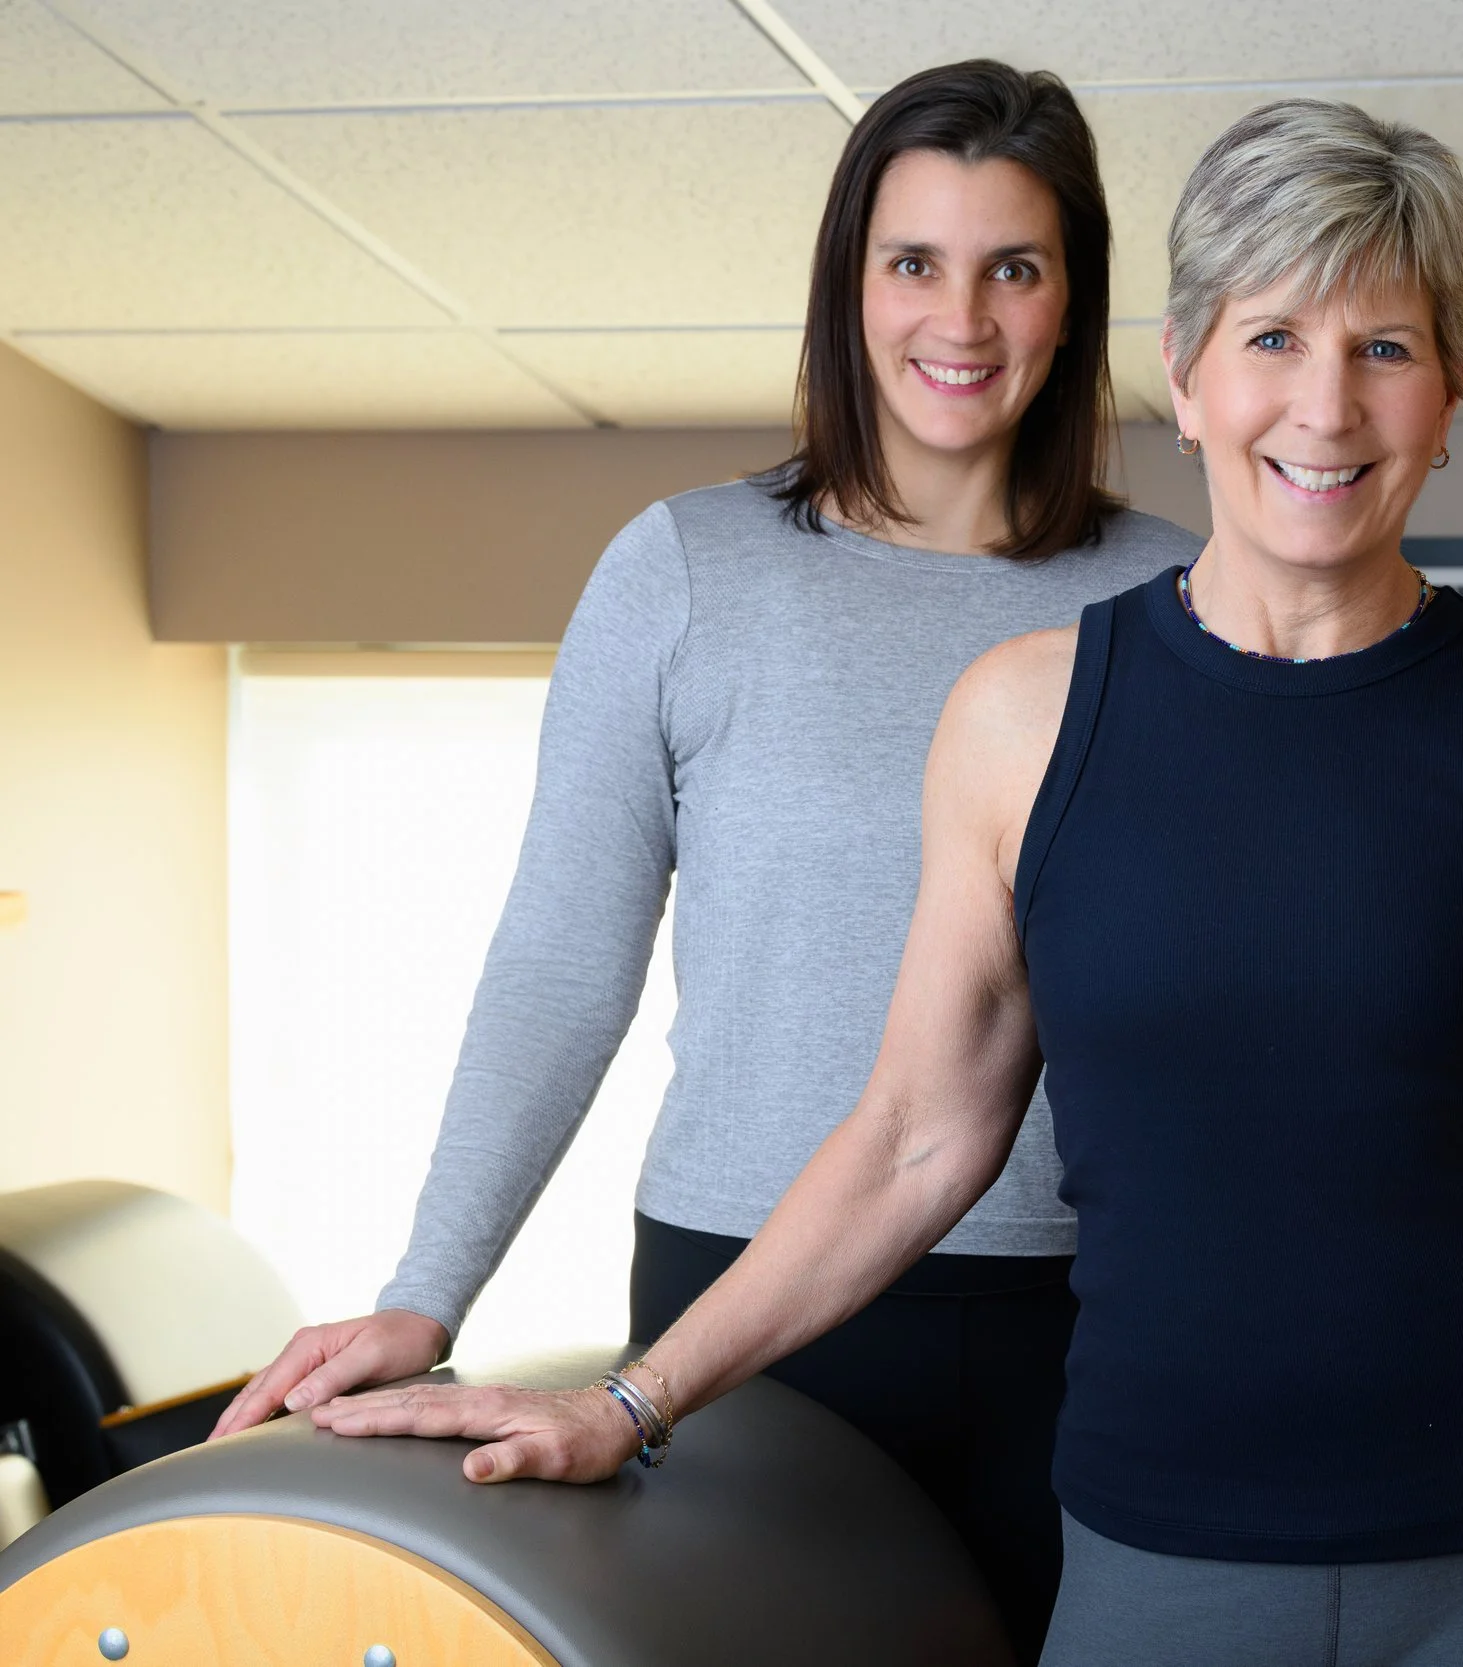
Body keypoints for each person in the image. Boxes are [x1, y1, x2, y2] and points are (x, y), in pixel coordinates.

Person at [308, 98, 1463, 1667]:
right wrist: (629, 1399)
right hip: (1165, 1544)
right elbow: (917, 1134)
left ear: (1451, 390)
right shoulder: (1022, 716)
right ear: (1189, 370)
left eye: (1386, 347)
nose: (1328, 406)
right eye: (1274, 340)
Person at [210, 60, 1204, 1662]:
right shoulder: (687, 569)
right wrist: (426, 1287)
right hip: (742, 1308)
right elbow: (561, 957)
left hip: (1089, 1314)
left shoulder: (1176, 597)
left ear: (1074, 299)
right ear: (849, 284)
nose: (962, 317)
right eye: (914, 264)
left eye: (1013, 266)